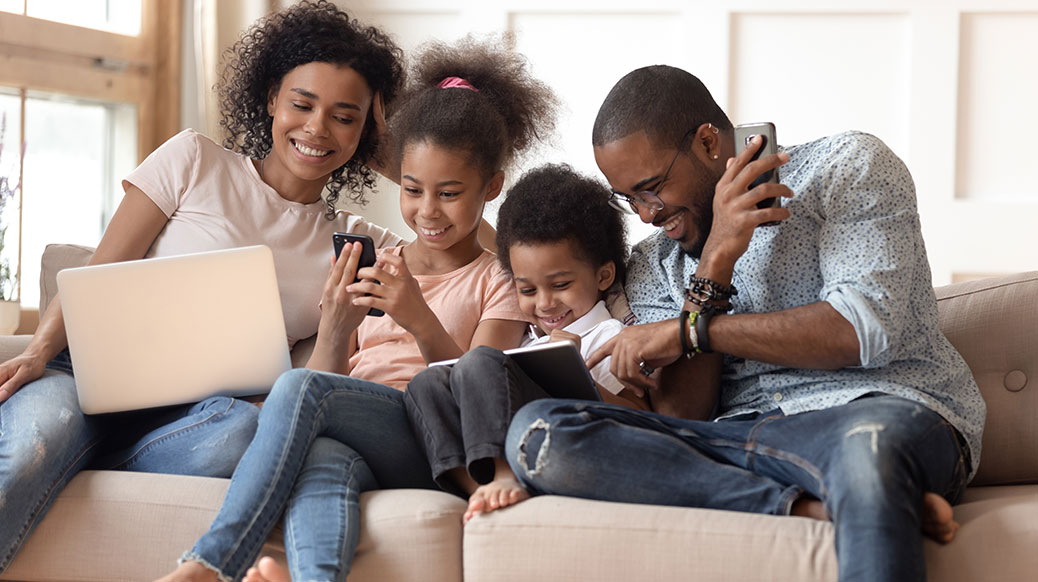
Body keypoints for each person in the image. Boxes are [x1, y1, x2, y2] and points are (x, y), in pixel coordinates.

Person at [504, 65, 985, 582]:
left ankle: (868, 489)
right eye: (630, 199)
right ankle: (820, 504)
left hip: (873, 412)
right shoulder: (655, 261)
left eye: (651, 188)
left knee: (866, 451)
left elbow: (860, 330)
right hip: (737, 438)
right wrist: (714, 264)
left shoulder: (846, 166)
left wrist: (692, 331)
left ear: (709, 143)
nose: (645, 214)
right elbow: (684, 413)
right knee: (539, 435)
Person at [0, 0, 404, 573]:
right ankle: (73, 445)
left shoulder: (356, 243)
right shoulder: (193, 160)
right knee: (30, 448)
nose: (317, 128)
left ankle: (93, 458)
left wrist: (396, 155)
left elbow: (476, 248)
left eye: (344, 116)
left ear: (366, 129)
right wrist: (40, 350)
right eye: (302, 104)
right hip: (84, 379)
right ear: (271, 98)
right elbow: (97, 269)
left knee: (240, 433)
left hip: (200, 419)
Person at [157, 33, 557, 582]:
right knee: (323, 461)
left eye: (449, 193)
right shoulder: (376, 261)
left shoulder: (501, 279)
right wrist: (335, 326)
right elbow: (328, 378)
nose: (427, 211)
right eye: (412, 190)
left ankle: (212, 562)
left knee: (295, 388)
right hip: (363, 429)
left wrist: (419, 318)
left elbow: (478, 395)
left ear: (491, 188)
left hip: (435, 440)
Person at [404, 163, 645, 524]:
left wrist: (577, 376)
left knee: (481, 360)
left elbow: (642, 418)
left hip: (572, 439)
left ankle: (504, 475)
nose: (545, 303)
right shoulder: (526, 339)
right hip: (524, 432)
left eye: (561, 285)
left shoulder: (611, 337)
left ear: (603, 275)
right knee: (427, 382)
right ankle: (479, 488)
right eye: (527, 290)